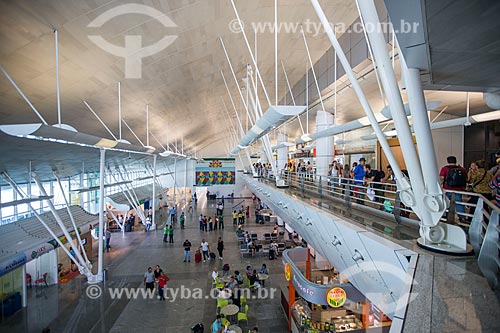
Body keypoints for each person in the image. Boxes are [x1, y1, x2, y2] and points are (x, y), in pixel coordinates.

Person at [440, 156, 468, 222]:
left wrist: (440, 185)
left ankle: (446, 216)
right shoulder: (462, 169)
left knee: (446, 202)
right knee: (459, 203)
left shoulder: (445, 169)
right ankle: (462, 217)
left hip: (448, 189)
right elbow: (466, 179)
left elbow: (442, 179)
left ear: (448, 161)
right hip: (459, 189)